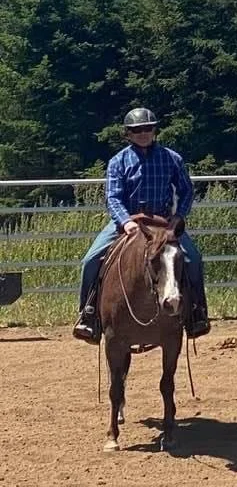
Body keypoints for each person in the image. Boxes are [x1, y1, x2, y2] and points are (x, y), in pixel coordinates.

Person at [72, 108, 210, 343]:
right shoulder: (118, 161)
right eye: (137, 130)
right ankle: (89, 314)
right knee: (91, 260)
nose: (143, 133)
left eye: (148, 128)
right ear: (128, 133)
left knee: (193, 258)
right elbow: (113, 197)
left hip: (163, 223)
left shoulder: (172, 158)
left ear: (154, 130)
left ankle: (197, 312)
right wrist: (125, 221)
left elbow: (187, 190)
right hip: (129, 222)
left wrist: (179, 217)